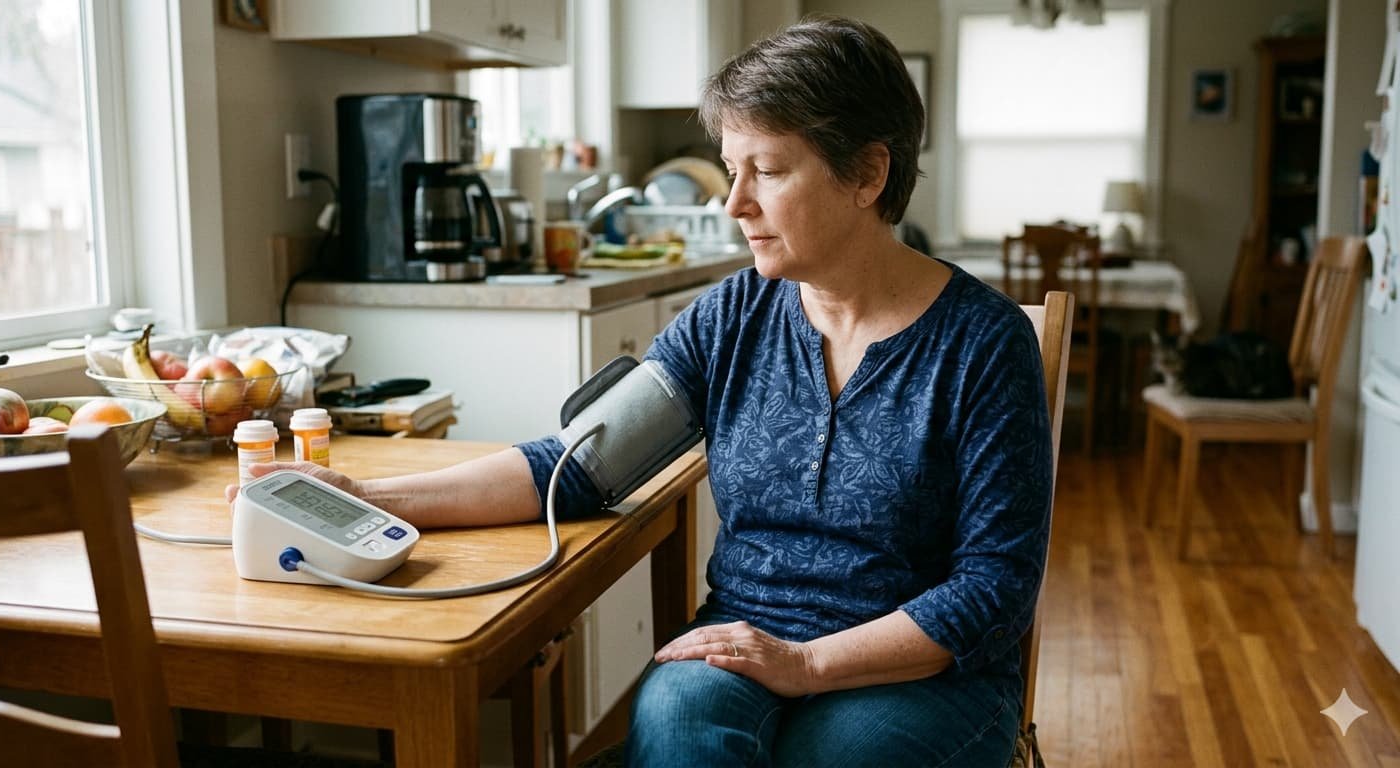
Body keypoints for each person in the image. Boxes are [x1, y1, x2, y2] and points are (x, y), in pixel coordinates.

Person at [229, 15, 1051, 767]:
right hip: (743, 641)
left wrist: (809, 665)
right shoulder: (732, 318)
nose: (735, 204)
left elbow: (992, 590)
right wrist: (368, 495)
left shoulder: (983, 344)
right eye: (733, 171)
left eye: (766, 170)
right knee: (681, 730)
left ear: (868, 172)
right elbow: (576, 466)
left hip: (918, 670)